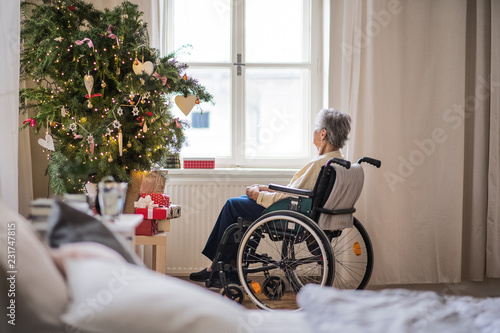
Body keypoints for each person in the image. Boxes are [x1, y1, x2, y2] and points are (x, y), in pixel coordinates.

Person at [189, 108, 352, 282]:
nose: (314, 132)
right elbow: (300, 191)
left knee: (233, 205)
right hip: (299, 209)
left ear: (323, 134)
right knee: (241, 204)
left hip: (291, 214)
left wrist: (257, 196)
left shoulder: (321, 163)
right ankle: (229, 267)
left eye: (316, 128)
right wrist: (267, 189)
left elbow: (293, 196)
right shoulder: (336, 162)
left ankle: (217, 268)